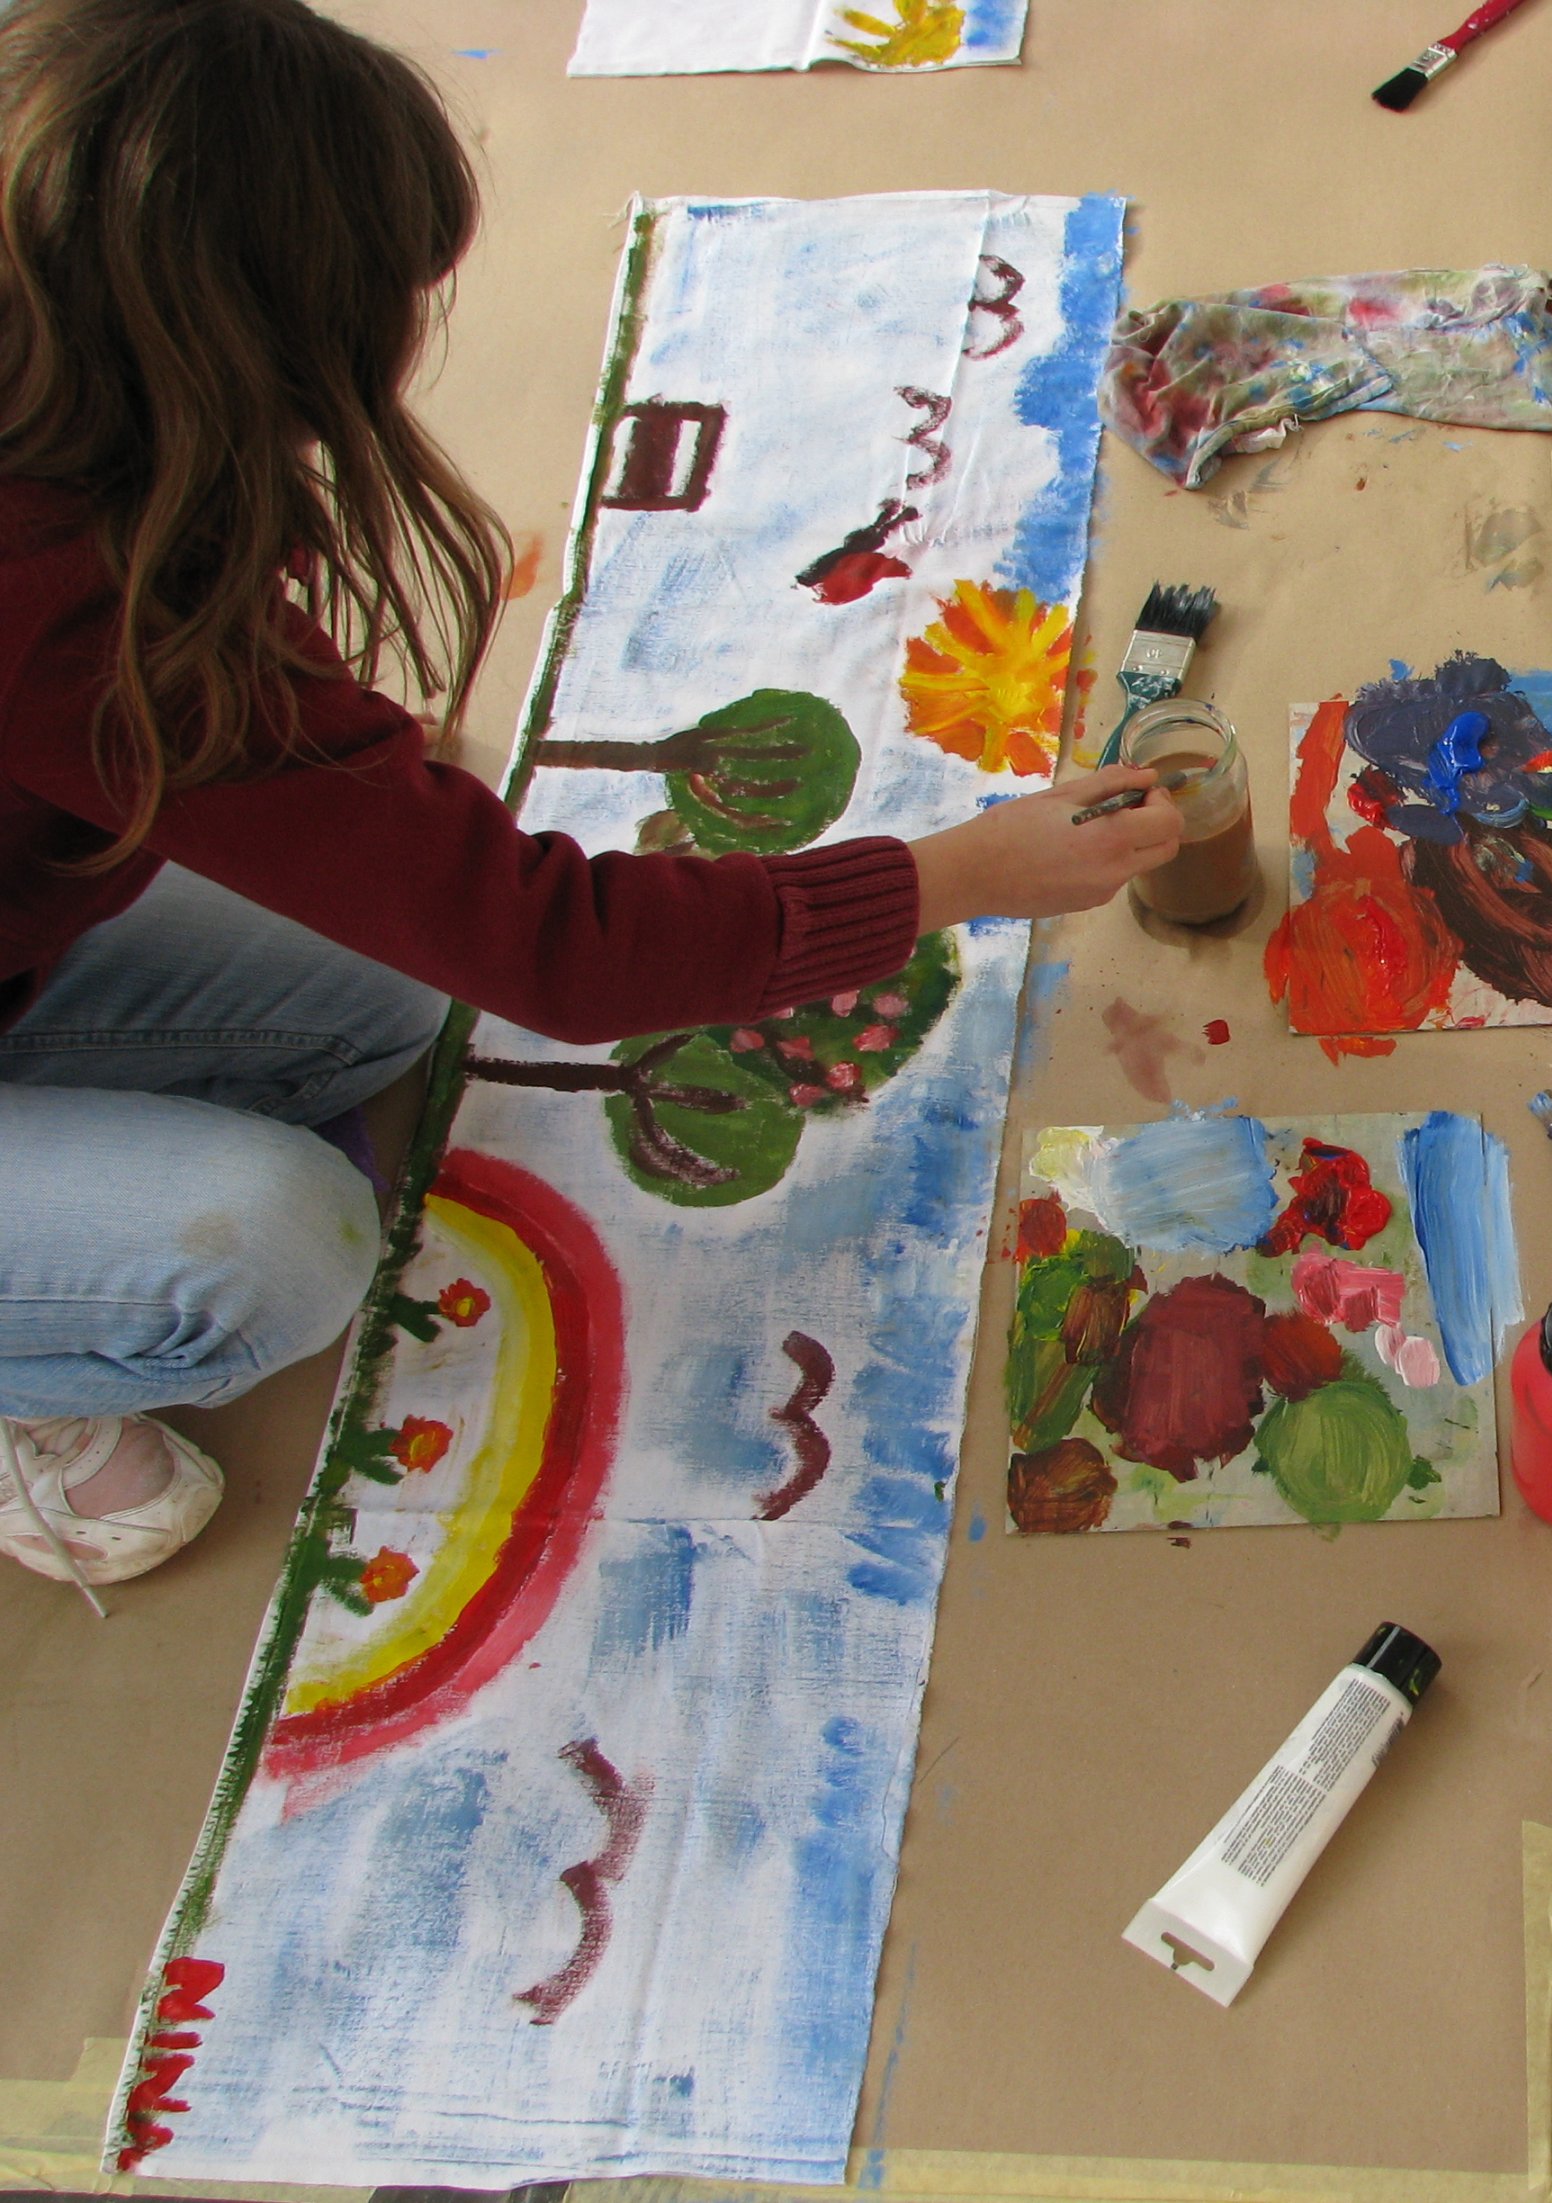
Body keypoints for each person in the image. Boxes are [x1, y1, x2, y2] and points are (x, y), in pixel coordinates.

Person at [0, 0, 1182, 1606]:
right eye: (396, 299)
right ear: (251, 342)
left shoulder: (63, 439)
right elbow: (556, 950)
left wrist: (335, 790)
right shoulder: (70, 605)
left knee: (389, 984)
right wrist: (961, 872)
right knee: (277, 1244)